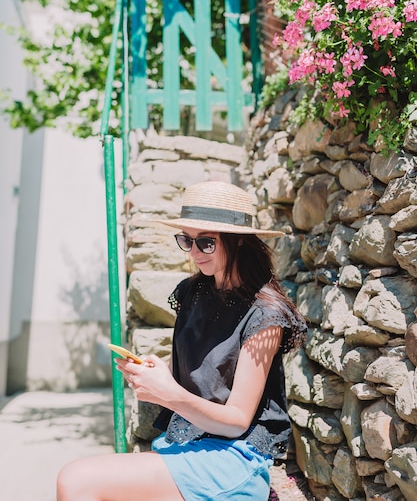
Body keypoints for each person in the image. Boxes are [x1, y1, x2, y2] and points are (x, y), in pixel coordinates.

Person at [56, 181, 307, 501]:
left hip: (232, 456)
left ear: (240, 241)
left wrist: (167, 393)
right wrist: (154, 374)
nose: (193, 252)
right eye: (185, 240)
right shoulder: (193, 292)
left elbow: (236, 422)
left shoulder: (265, 315)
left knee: (75, 480)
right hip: (184, 443)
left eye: (205, 242)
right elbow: (192, 383)